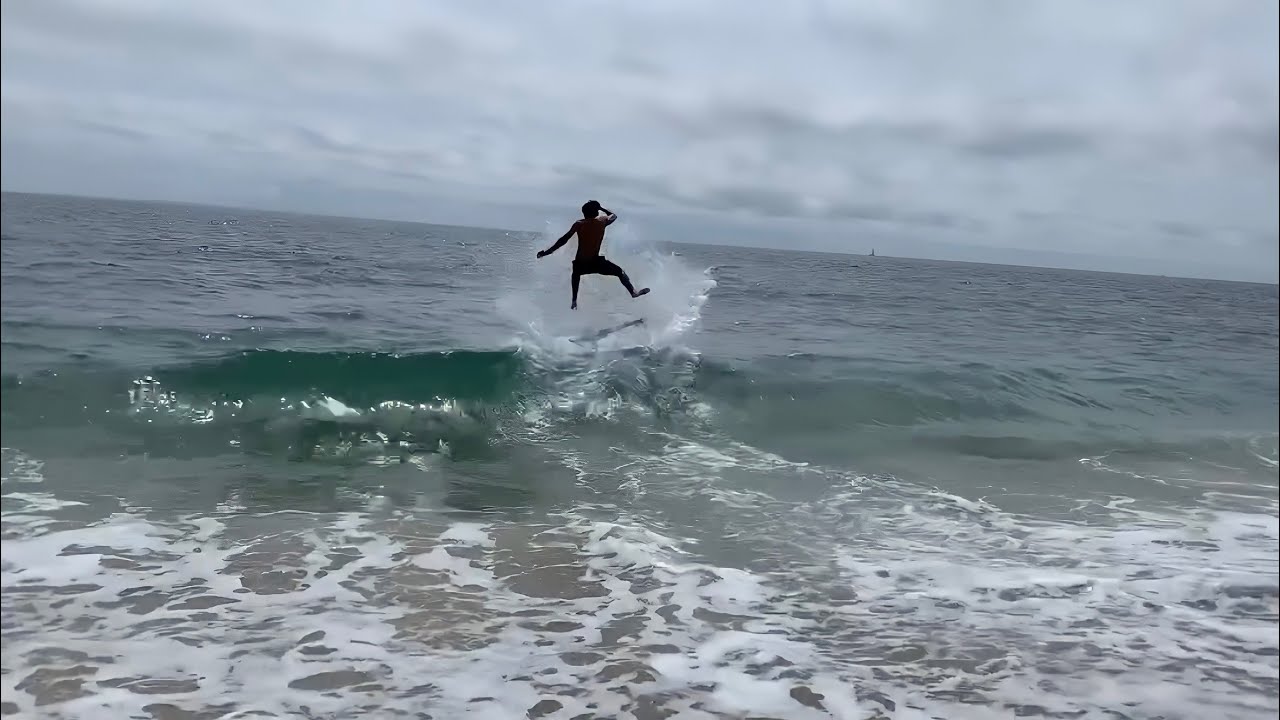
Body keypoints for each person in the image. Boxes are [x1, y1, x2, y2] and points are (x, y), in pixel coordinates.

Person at [536, 200, 650, 309]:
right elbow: (614, 216)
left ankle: (574, 301)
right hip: (596, 262)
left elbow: (563, 240)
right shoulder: (602, 221)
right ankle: (633, 292)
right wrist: (601, 208)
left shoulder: (579, 224)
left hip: (582, 263)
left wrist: (546, 252)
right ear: (596, 212)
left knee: (576, 274)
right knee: (620, 272)